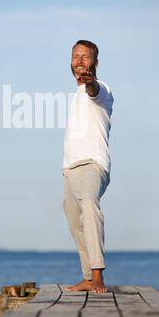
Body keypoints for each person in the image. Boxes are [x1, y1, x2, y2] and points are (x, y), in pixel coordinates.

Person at [62, 40, 114, 293]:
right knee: (74, 221)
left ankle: (98, 278)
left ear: (95, 63)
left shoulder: (101, 90)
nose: (80, 60)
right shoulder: (75, 97)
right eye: (76, 56)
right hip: (70, 168)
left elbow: (93, 89)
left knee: (90, 207)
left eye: (86, 56)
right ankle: (87, 276)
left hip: (93, 165)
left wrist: (90, 81)